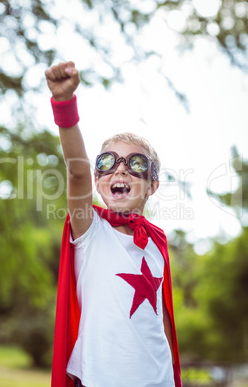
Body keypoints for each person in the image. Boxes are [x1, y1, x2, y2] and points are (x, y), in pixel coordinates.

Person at [45, 61, 182, 387]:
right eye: (108, 162)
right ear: (97, 179)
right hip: (98, 379)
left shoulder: (157, 243)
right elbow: (76, 170)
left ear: (152, 186)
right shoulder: (89, 230)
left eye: (135, 164)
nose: (119, 170)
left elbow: (160, 319)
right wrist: (65, 104)